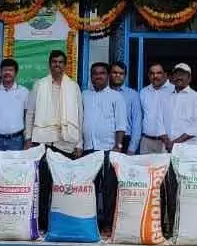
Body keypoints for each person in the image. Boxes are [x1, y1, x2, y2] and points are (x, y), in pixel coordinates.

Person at [25, 50, 83, 232]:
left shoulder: (73, 87)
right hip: (43, 142)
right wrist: (28, 137)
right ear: (49, 64)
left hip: (65, 143)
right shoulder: (39, 85)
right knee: (43, 184)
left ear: (65, 65)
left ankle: (61, 222)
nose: (57, 65)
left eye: (60, 62)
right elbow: (31, 113)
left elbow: (80, 114)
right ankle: (42, 224)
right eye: (54, 62)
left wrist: (79, 143)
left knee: (62, 186)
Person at [82, 62, 126, 232]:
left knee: (109, 189)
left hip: (109, 149)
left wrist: (118, 146)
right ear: (91, 76)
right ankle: (89, 223)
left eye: (101, 73)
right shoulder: (85, 95)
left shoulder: (116, 97)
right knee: (89, 188)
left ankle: (107, 225)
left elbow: (121, 125)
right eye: (94, 73)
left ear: (107, 76)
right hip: (88, 149)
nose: (98, 76)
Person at [0, 58, 29, 219]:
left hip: (16, 141)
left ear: (16, 73)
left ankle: (12, 216)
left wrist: (27, 141)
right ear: (0, 72)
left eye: (10, 70)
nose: (7, 73)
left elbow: (27, 117)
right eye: (5, 70)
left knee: (14, 178)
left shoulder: (24, 92)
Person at [164, 63, 197, 235]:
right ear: (172, 78)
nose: (179, 77)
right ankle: (173, 227)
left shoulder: (196, 98)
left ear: (189, 78)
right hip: (168, 151)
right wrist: (166, 140)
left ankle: (188, 229)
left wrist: (176, 142)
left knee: (188, 190)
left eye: (183, 74)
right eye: (176, 74)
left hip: (188, 153)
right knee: (171, 190)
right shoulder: (167, 97)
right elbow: (159, 120)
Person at [138, 63, 173, 154]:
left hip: (167, 143)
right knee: (144, 168)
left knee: (165, 168)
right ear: (149, 75)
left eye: (159, 73)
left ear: (165, 75)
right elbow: (140, 116)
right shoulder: (143, 92)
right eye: (152, 73)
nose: (155, 76)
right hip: (146, 141)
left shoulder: (173, 90)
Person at [109, 61, 142, 154]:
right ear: (109, 74)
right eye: (115, 72)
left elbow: (137, 122)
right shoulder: (103, 93)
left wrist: (132, 148)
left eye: (121, 73)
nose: (118, 75)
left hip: (125, 139)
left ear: (125, 76)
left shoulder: (132, 95)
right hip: (106, 139)